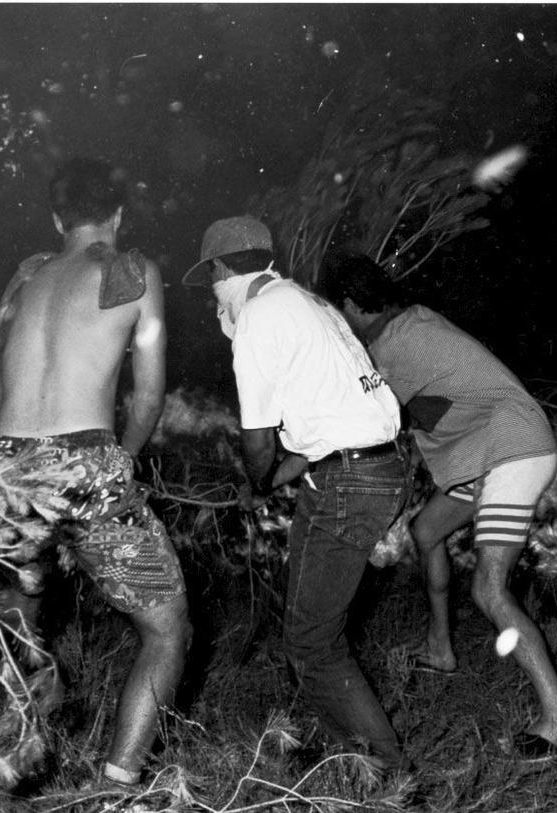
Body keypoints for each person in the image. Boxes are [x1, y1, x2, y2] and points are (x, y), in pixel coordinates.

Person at [320, 253, 557, 758]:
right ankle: (440, 649)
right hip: (483, 453)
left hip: (514, 448)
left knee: (489, 589)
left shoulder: (399, 343)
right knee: (427, 532)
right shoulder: (406, 326)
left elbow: (365, 418)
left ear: (351, 304)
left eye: (338, 313)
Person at [0, 157, 190, 789]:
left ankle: (11, 765)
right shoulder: (133, 270)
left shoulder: (29, 273)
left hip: (6, 464)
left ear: (56, 219)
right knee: (167, 630)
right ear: (119, 215)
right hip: (85, 458)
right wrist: (121, 459)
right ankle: (116, 785)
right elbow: (149, 395)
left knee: (20, 613)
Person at [182, 217, 411, 771]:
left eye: (210, 278)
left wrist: (257, 478)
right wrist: (258, 487)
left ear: (219, 271)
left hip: (348, 483)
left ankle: (390, 774)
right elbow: (315, 440)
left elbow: (258, 441)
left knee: (312, 643)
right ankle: (347, 755)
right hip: (370, 469)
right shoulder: (310, 305)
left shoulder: (260, 317)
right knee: (309, 632)